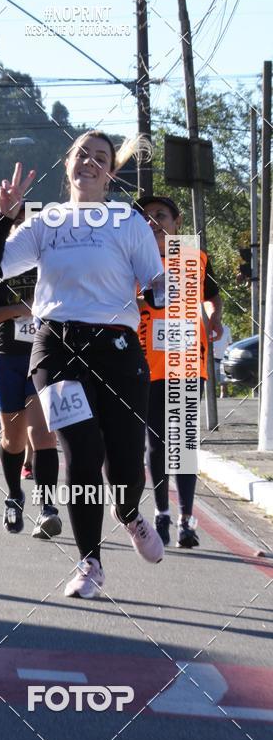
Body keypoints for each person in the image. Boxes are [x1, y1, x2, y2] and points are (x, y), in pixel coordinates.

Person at [0, 132, 166, 599]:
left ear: (110, 173)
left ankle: (128, 511)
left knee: (124, 465)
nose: (90, 162)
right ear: (68, 165)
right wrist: (4, 218)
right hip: (57, 349)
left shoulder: (128, 220)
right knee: (81, 453)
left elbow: (155, 280)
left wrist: (164, 292)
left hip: (118, 350)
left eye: (100, 158)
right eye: (82, 154)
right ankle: (89, 562)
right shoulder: (46, 221)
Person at [136, 195, 223, 549]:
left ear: (177, 222)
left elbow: (211, 295)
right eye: (146, 216)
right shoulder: (131, 258)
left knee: (184, 445)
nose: (153, 221)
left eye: (161, 215)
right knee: (156, 446)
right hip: (146, 366)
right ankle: (162, 513)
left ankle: (187, 519)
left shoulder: (193, 257)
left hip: (187, 362)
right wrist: (142, 299)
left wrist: (214, 317)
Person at [0, 202, 61, 539]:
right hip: (5, 356)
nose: (24, 229)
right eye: (17, 223)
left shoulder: (51, 262)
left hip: (44, 355)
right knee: (13, 439)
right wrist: (19, 309)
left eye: (30, 223)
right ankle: (14, 496)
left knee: (43, 435)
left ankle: (48, 508)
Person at [213, 322, 232, 397]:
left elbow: (230, 343)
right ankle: (212, 396)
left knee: (223, 380)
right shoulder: (209, 328)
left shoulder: (226, 329)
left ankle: (223, 396)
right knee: (212, 380)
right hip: (213, 359)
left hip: (224, 359)